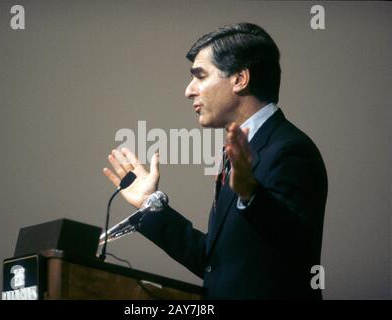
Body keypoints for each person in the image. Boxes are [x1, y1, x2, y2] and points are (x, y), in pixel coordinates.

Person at [103, 22, 327, 299]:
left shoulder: (290, 149)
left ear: (240, 79)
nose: (189, 90)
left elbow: (295, 246)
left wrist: (251, 195)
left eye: (200, 76)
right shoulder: (240, 153)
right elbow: (217, 265)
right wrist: (150, 206)